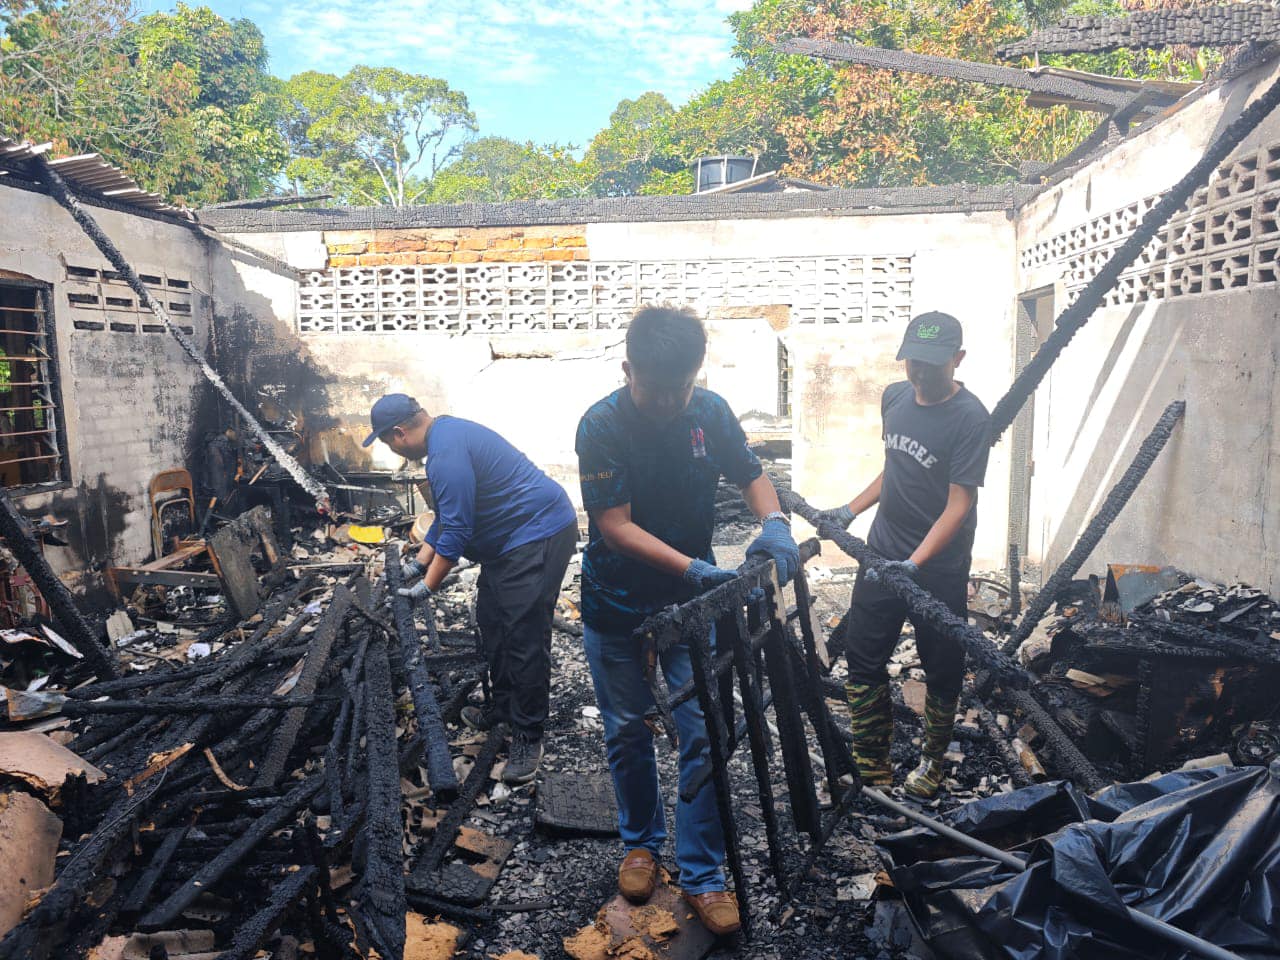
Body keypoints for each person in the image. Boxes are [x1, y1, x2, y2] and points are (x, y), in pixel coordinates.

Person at [575, 306, 800, 937]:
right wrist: (695, 570)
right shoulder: (601, 425)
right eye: (657, 390)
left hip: (688, 608)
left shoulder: (709, 411)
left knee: (702, 732)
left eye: (683, 388)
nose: (672, 403)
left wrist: (774, 522)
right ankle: (641, 845)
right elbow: (613, 526)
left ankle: (702, 873)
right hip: (617, 601)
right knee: (625, 729)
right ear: (629, 370)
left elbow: (752, 474)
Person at [819, 311, 990, 800]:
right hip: (881, 555)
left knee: (942, 665)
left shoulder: (970, 418)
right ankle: (873, 768)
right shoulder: (894, 397)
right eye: (913, 361)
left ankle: (932, 764)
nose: (919, 373)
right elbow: (893, 469)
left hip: (938, 566)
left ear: (957, 360)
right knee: (863, 656)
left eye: (932, 365)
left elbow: (960, 503)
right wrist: (848, 511)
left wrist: (915, 564)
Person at [364, 394, 577, 786]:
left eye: (387, 443)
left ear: (400, 433)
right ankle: (504, 710)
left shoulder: (445, 455)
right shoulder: (444, 438)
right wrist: (419, 562)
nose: (392, 450)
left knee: (524, 635)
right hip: (509, 541)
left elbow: (458, 532)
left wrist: (426, 588)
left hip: (538, 532)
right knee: (493, 621)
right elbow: (447, 516)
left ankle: (529, 735)